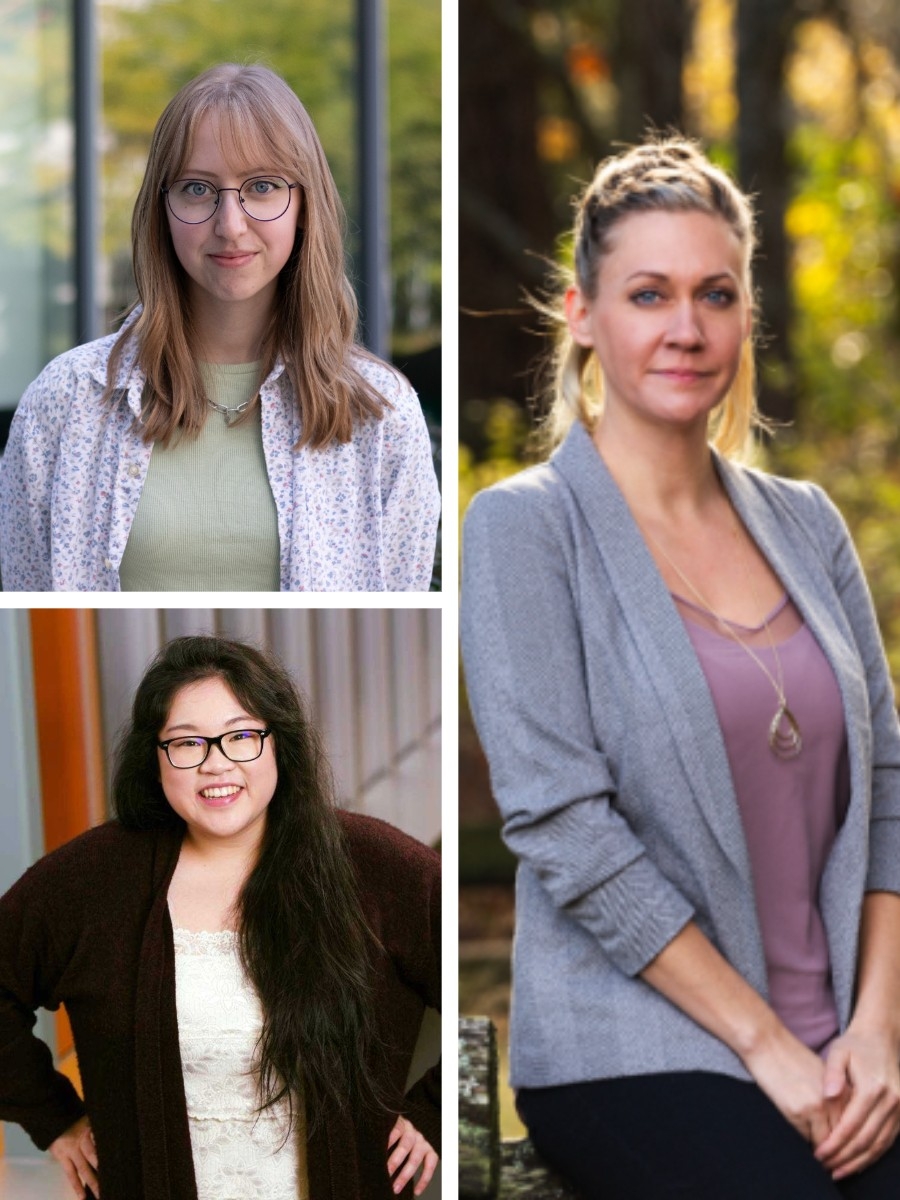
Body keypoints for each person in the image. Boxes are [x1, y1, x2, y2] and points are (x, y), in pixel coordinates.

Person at [460, 136, 900, 1199]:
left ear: (748, 313)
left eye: (715, 294)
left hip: (849, 1036)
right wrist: (768, 1046)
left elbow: (887, 786)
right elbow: (564, 824)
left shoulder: (806, 523)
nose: (686, 329)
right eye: (649, 294)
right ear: (583, 313)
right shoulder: (524, 530)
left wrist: (879, 1030)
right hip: (640, 1053)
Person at [0, 635, 440, 1199]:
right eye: (186, 744)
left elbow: (482, 971)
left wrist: (433, 1112)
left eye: (241, 737)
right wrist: (54, 1119)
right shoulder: (94, 879)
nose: (217, 764)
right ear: (154, 757)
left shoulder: (376, 865)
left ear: (279, 743)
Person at [0, 64, 440, 592]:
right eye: (197, 189)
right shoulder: (66, 400)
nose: (230, 225)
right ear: (161, 207)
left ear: (304, 206)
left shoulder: (381, 415)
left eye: (261, 186)